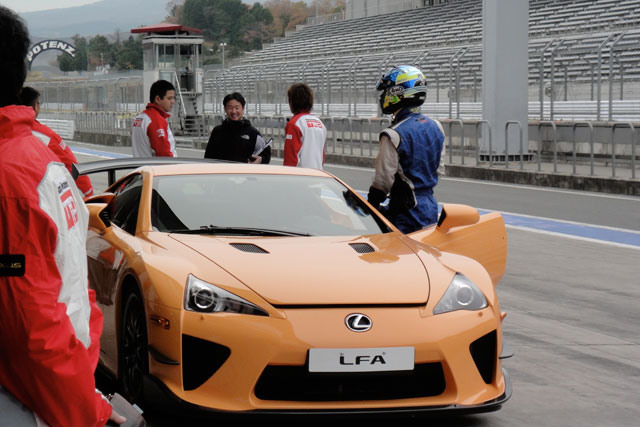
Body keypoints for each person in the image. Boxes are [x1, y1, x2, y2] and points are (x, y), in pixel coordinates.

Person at [0, 6, 125, 426]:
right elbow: (69, 284)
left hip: (34, 400)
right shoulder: (41, 156)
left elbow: (31, 324)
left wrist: (86, 410)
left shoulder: (10, 177)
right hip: (63, 382)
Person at [367, 65, 445, 234]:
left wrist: (370, 204)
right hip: (430, 206)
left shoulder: (393, 134)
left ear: (397, 92)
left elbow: (382, 182)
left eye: (386, 91)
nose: (383, 96)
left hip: (405, 212)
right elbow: (439, 169)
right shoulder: (436, 126)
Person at [18, 86, 94, 198]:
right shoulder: (45, 135)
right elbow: (70, 163)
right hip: (37, 196)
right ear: (35, 106)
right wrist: (89, 192)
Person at [204, 92, 271, 164]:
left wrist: (260, 159)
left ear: (243, 108)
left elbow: (266, 152)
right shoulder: (217, 131)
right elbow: (208, 157)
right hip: (222, 170)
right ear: (225, 109)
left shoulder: (252, 133)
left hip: (243, 171)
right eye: (230, 108)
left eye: (237, 108)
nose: (234, 111)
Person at [283, 83, 326, 169]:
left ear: (292, 101)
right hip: (318, 173)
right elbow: (322, 156)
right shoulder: (320, 124)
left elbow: (290, 159)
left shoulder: (294, 124)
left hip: (300, 175)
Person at [131, 79, 177, 157]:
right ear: (157, 99)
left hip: (140, 163)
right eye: (169, 98)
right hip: (155, 164)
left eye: (173, 98)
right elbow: (164, 154)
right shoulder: (156, 120)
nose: (173, 101)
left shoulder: (140, 117)